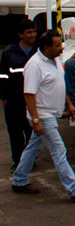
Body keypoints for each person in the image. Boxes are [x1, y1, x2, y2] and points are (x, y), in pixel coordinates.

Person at [11, 30, 75, 201]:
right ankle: (74, 188)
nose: (61, 48)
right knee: (58, 150)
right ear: (46, 47)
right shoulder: (34, 66)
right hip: (43, 115)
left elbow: (59, 83)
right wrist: (36, 120)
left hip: (50, 113)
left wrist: (70, 104)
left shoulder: (54, 60)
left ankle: (19, 180)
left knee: (33, 146)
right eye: (57, 46)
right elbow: (29, 94)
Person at [0, 19, 38, 173]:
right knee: (15, 132)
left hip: (32, 99)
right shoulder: (9, 52)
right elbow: (2, 76)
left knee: (31, 131)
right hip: (14, 99)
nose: (32, 35)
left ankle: (30, 160)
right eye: (29, 32)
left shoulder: (39, 50)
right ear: (20, 34)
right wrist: (4, 98)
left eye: (34, 32)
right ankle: (18, 161)